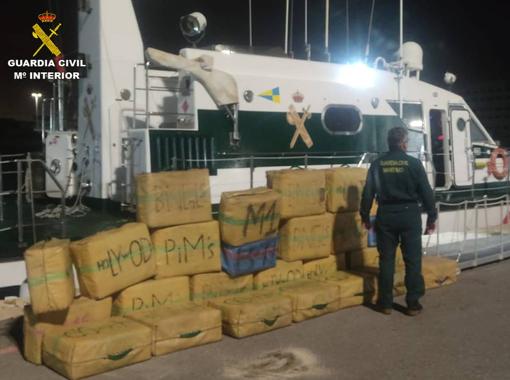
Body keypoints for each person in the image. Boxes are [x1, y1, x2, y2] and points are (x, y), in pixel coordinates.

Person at [359, 126, 437, 316]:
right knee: (412, 261)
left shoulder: (377, 164)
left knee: (386, 260)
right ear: (403, 142)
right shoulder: (414, 164)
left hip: (385, 215)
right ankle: (412, 304)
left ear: (389, 142)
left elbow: (368, 193)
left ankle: (385, 303)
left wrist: (364, 216)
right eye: (407, 141)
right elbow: (426, 193)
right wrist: (432, 217)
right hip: (409, 214)